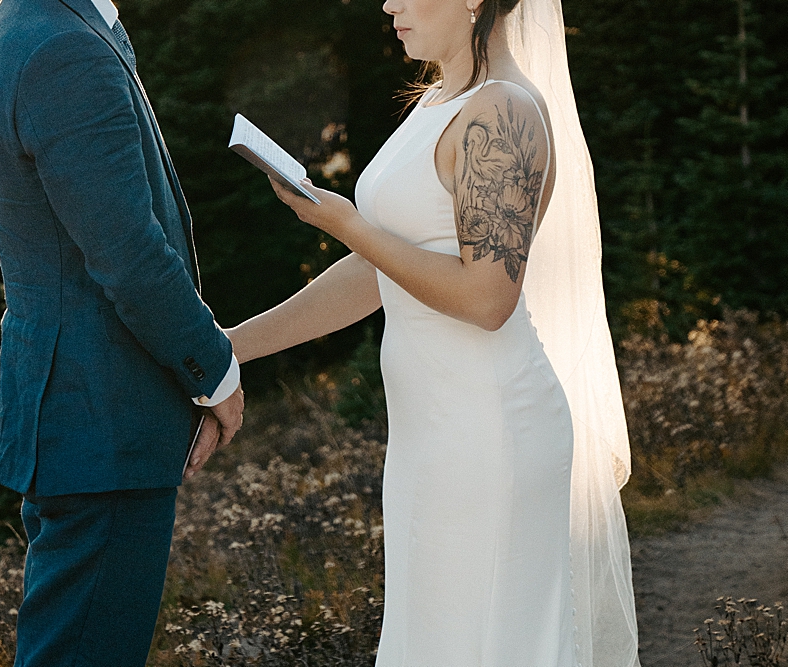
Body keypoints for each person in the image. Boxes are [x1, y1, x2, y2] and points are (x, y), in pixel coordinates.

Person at [226, 0, 640, 664]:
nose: (388, 3)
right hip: (430, 435)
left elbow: (487, 296)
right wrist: (234, 344)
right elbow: (380, 271)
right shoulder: (437, 102)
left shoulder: (505, 112)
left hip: (490, 435)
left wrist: (344, 223)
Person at [0, 0, 244, 665]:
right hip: (103, 420)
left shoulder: (32, 24)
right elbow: (128, 253)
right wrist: (216, 370)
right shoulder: (64, 48)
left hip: (81, 415)